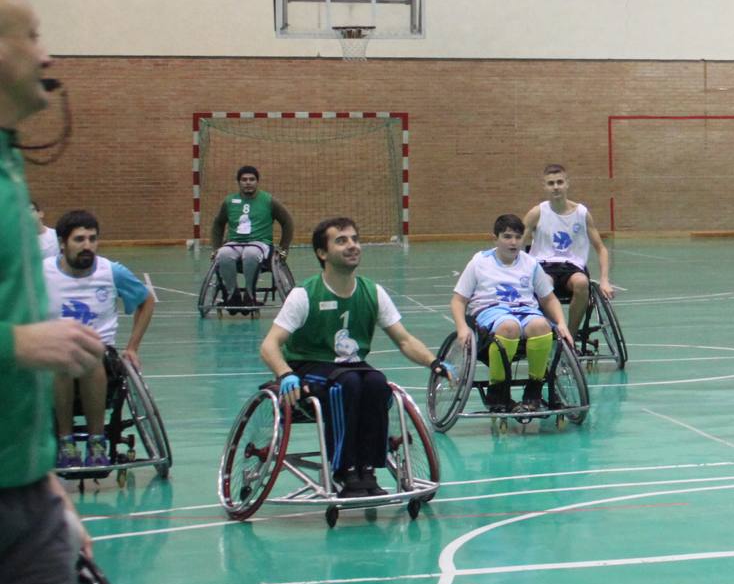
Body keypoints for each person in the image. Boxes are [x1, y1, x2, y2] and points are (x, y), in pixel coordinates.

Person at [0, 0, 104, 584]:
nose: (46, 51)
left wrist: (50, 486)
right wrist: (15, 344)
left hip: (23, 493)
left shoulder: (12, 171)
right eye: (30, 34)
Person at [262, 217, 444, 496]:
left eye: (355, 239)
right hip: (309, 364)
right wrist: (285, 374)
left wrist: (434, 362)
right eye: (342, 240)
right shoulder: (304, 294)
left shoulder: (373, 292)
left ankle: (368, 469)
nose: (352, 246)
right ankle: (344, 469)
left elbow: (405, 340)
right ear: (322, 253)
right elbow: (270, 344)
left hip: (352, 367)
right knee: (348, 384)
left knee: (376, 383)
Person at [45, 210, 154, 470]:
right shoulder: (42, 273)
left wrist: (132, 347)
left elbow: (146, 301)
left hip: (101, 355)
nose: (87, 246)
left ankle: (97, 442)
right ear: (62, 243)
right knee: (63, 358)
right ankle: (65, 441)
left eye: (92, 239)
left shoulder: (111, 271)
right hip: (54, 354)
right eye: (79, 239)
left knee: (88, 355)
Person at [451, 214, 575, 416]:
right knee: (509, 326)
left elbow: (549, 299)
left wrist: (561, 323)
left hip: (525, 311)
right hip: (491, 312)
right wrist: (461, 327)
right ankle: (497, 391)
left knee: (542, 326)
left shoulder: (531, 264)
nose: (513, 242)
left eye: (518, 237)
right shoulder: (479, 262)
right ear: (495, 238)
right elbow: (458, 300)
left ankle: (533, 391)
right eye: (507, 237)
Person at [522, 163, 615, 349]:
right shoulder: (537, 213)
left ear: (567, 184)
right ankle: (551, 332)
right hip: (544, 265)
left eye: (559, 182)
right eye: (550, 183)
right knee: (544, 284)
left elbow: (601, 248)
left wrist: (604, 280)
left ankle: (569, 337)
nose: (555, 186)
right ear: (545, 187)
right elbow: (518, 245)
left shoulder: (582, 213)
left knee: (582, 282)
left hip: (572, 267)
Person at [209, 165, 293, 310]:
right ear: (239, 182)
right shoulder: (229, 202)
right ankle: (232, 294)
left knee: (250, 254)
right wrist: (216, 247)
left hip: (260, 243)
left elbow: (287, 222)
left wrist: (284, 248)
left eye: (252, 179)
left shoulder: (268, 200)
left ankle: (250, 294)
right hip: (234, 243)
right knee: (223, 254)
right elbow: (218, 224)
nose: (248, 182)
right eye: (244, 179)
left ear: (257, 182)